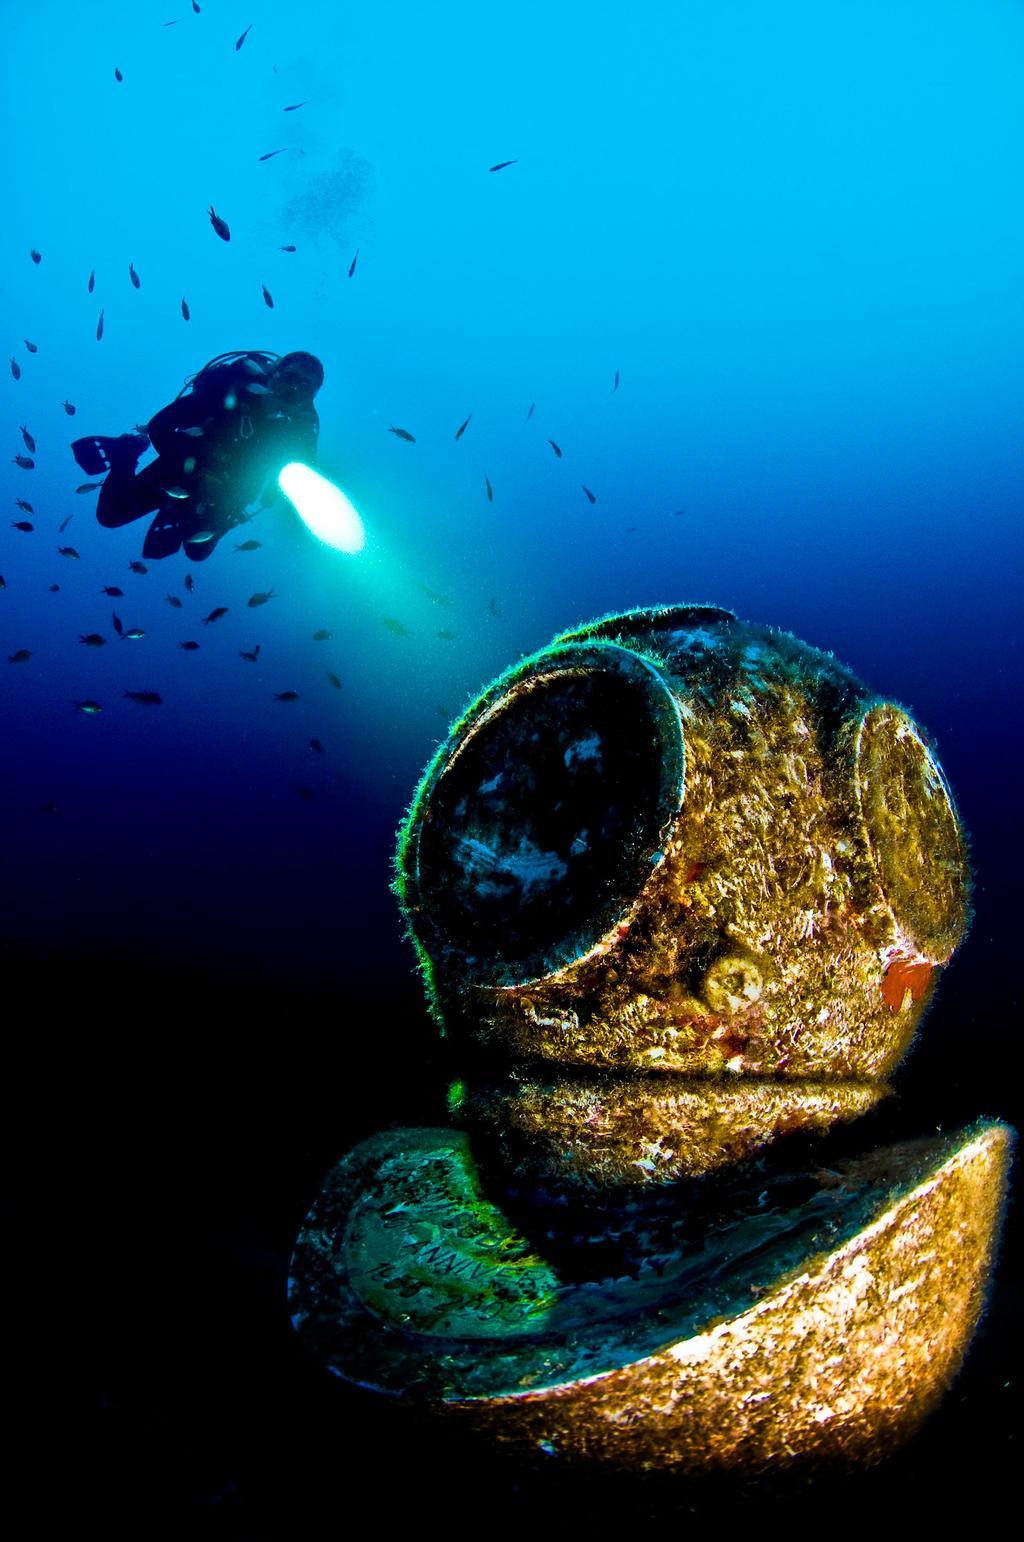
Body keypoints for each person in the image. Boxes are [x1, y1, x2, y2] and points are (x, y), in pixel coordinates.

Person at [71, 350, 324, 561]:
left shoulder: (302, 428)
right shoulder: (234, 390)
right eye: (290, 378)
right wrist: (194, 467)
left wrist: (268, 493)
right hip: (182, 467)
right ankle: (125, 452)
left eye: (304, 386)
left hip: (227, 490)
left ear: (311, 396)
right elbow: (160, 425)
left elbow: (296, 477)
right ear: (274, 373)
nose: (293, 389)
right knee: (111, 515)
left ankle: (183, 512)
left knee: (197, 551)